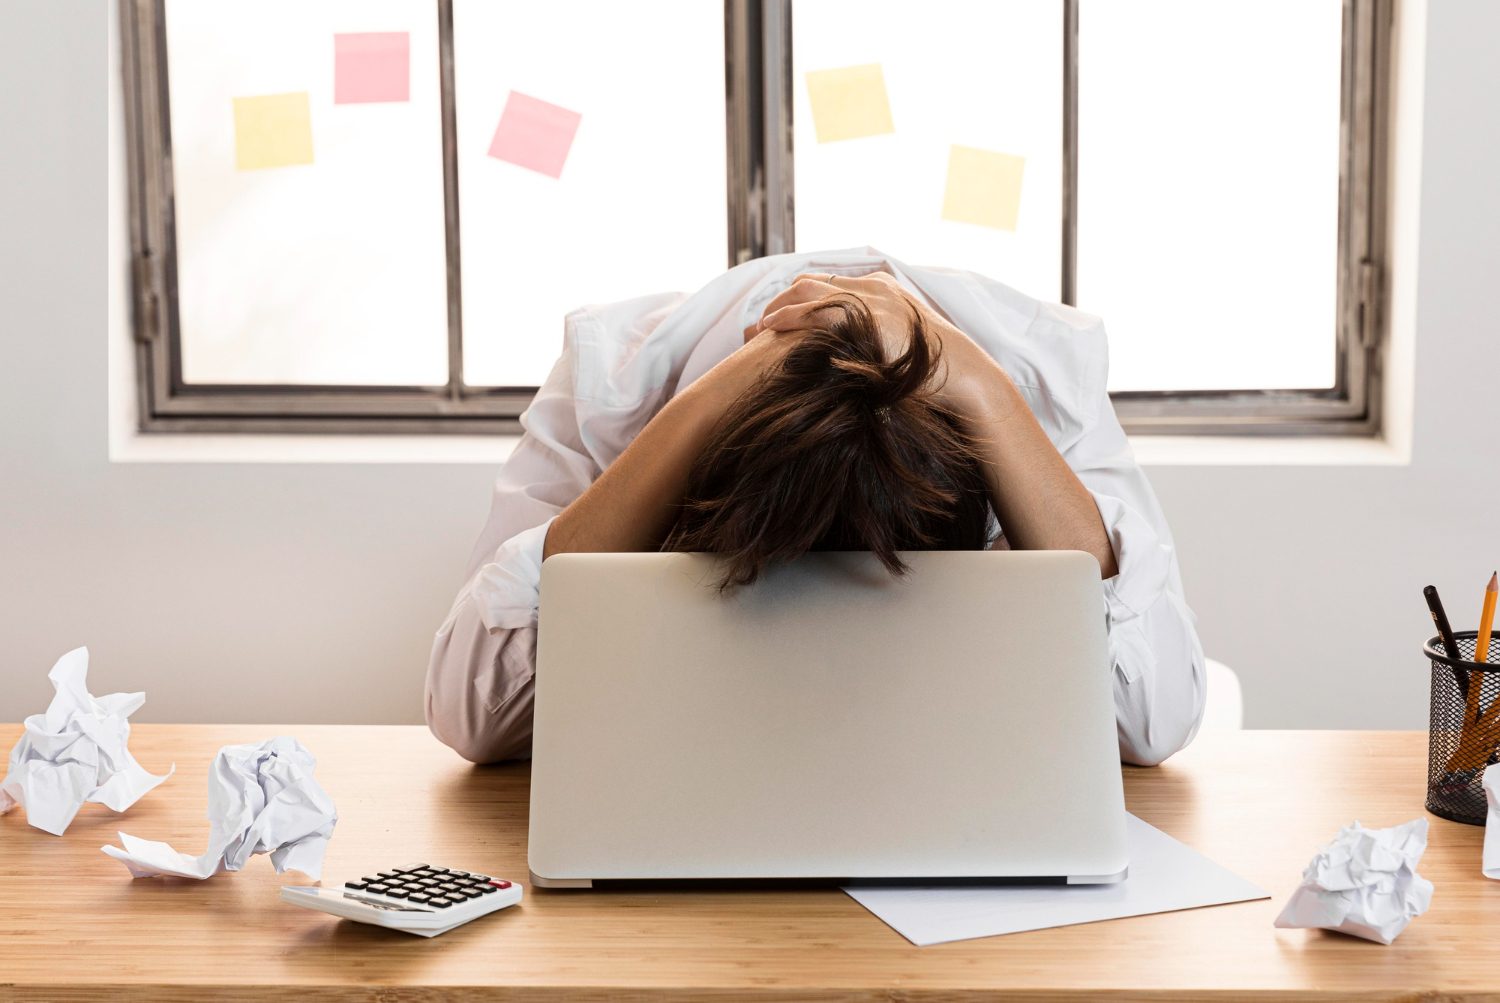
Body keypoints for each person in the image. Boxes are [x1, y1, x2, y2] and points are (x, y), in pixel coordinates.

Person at [426, 249, 1206, 767]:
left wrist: (978, 387)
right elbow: (474, 713)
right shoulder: (611, 372)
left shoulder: (1044, 375)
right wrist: (704, 408)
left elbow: (1152, 715)